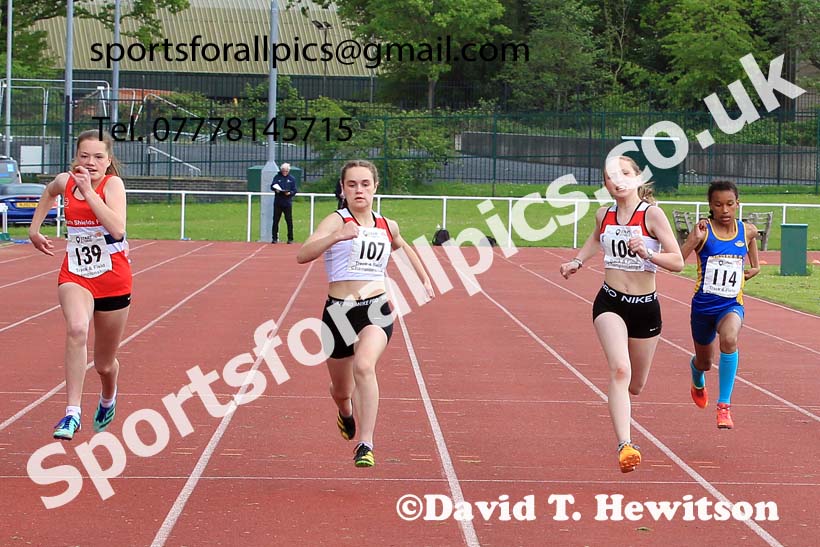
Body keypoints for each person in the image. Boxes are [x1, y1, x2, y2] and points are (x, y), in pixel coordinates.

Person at [296, 160, 434, 467]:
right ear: (343, 190)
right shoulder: (335, 221)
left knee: (364, 366)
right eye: (352, 184)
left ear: (375, 187)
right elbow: (302, 255)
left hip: (375, 309)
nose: (359, 190)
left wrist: (423, 277)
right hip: (338, 314)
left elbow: (403, 245)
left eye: (365, 184)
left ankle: (366, 443)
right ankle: (346, 412)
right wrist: (337, 237)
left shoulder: (387, 225)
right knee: (342, 390)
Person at [559, 155, 684, 473]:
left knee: (636, 384)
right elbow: (596, 238)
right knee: (619, 369)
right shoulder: (604, 214)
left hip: (645, 308)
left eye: (623, 174)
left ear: (638, 178)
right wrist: (578, 261)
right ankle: (625, 445)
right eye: (610, 176)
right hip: (610, 303)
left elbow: (678, 261)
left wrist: (649, 253)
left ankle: (625, 401)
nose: (616, 181)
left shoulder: (652, 215)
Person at [29, 129, 132, 440]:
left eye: (98, 157)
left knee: (104, 364)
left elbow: (117, 230)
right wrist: (35, 229)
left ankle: (108, 396)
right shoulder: (65, 181)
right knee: (76, 328)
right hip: (76, 274)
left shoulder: (113, 185)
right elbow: (49, 192)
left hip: (113, 280)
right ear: (76, 158)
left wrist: (89, 192)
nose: (90, 163)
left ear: (109, 160)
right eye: (84, 156)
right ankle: (72, 412)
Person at [680, 180, 760, 429]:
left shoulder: (746, 230)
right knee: (705, 362)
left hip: (731, 305)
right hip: (703, 308)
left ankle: (723, 406)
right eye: (718, 205)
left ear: (738, 204)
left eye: (730, 204)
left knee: (729, 340)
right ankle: (697, 375)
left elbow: (753, 238)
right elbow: (678, 259)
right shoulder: (704, 232)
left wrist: (754, 267)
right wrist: (692, 239)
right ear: (710, 207)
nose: (724, 210)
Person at [271, 162, 297, 243]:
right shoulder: (277, 177)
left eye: (286, 171)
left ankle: (290, 238)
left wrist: (290, 193)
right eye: (283, 170)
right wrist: (276, 189)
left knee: (289, 221)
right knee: (276, 220)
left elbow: (295, 190)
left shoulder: (292, 178)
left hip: (287, 203)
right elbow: (272, 186)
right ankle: (274, 238)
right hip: (278, 202)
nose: (284, 172)